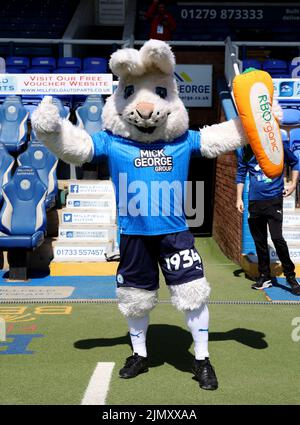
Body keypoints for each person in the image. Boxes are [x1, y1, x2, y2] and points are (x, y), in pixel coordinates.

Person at [236, 143, 300, 295]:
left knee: (277, 238)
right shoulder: (246, 149)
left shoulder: (277, 145)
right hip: (255, 201)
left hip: (274, 200)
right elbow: (240, 173)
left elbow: (295, 162)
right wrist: (239, 198)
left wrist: (292, 184)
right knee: (259, 240)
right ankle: (264, 276)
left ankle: (291, 277)